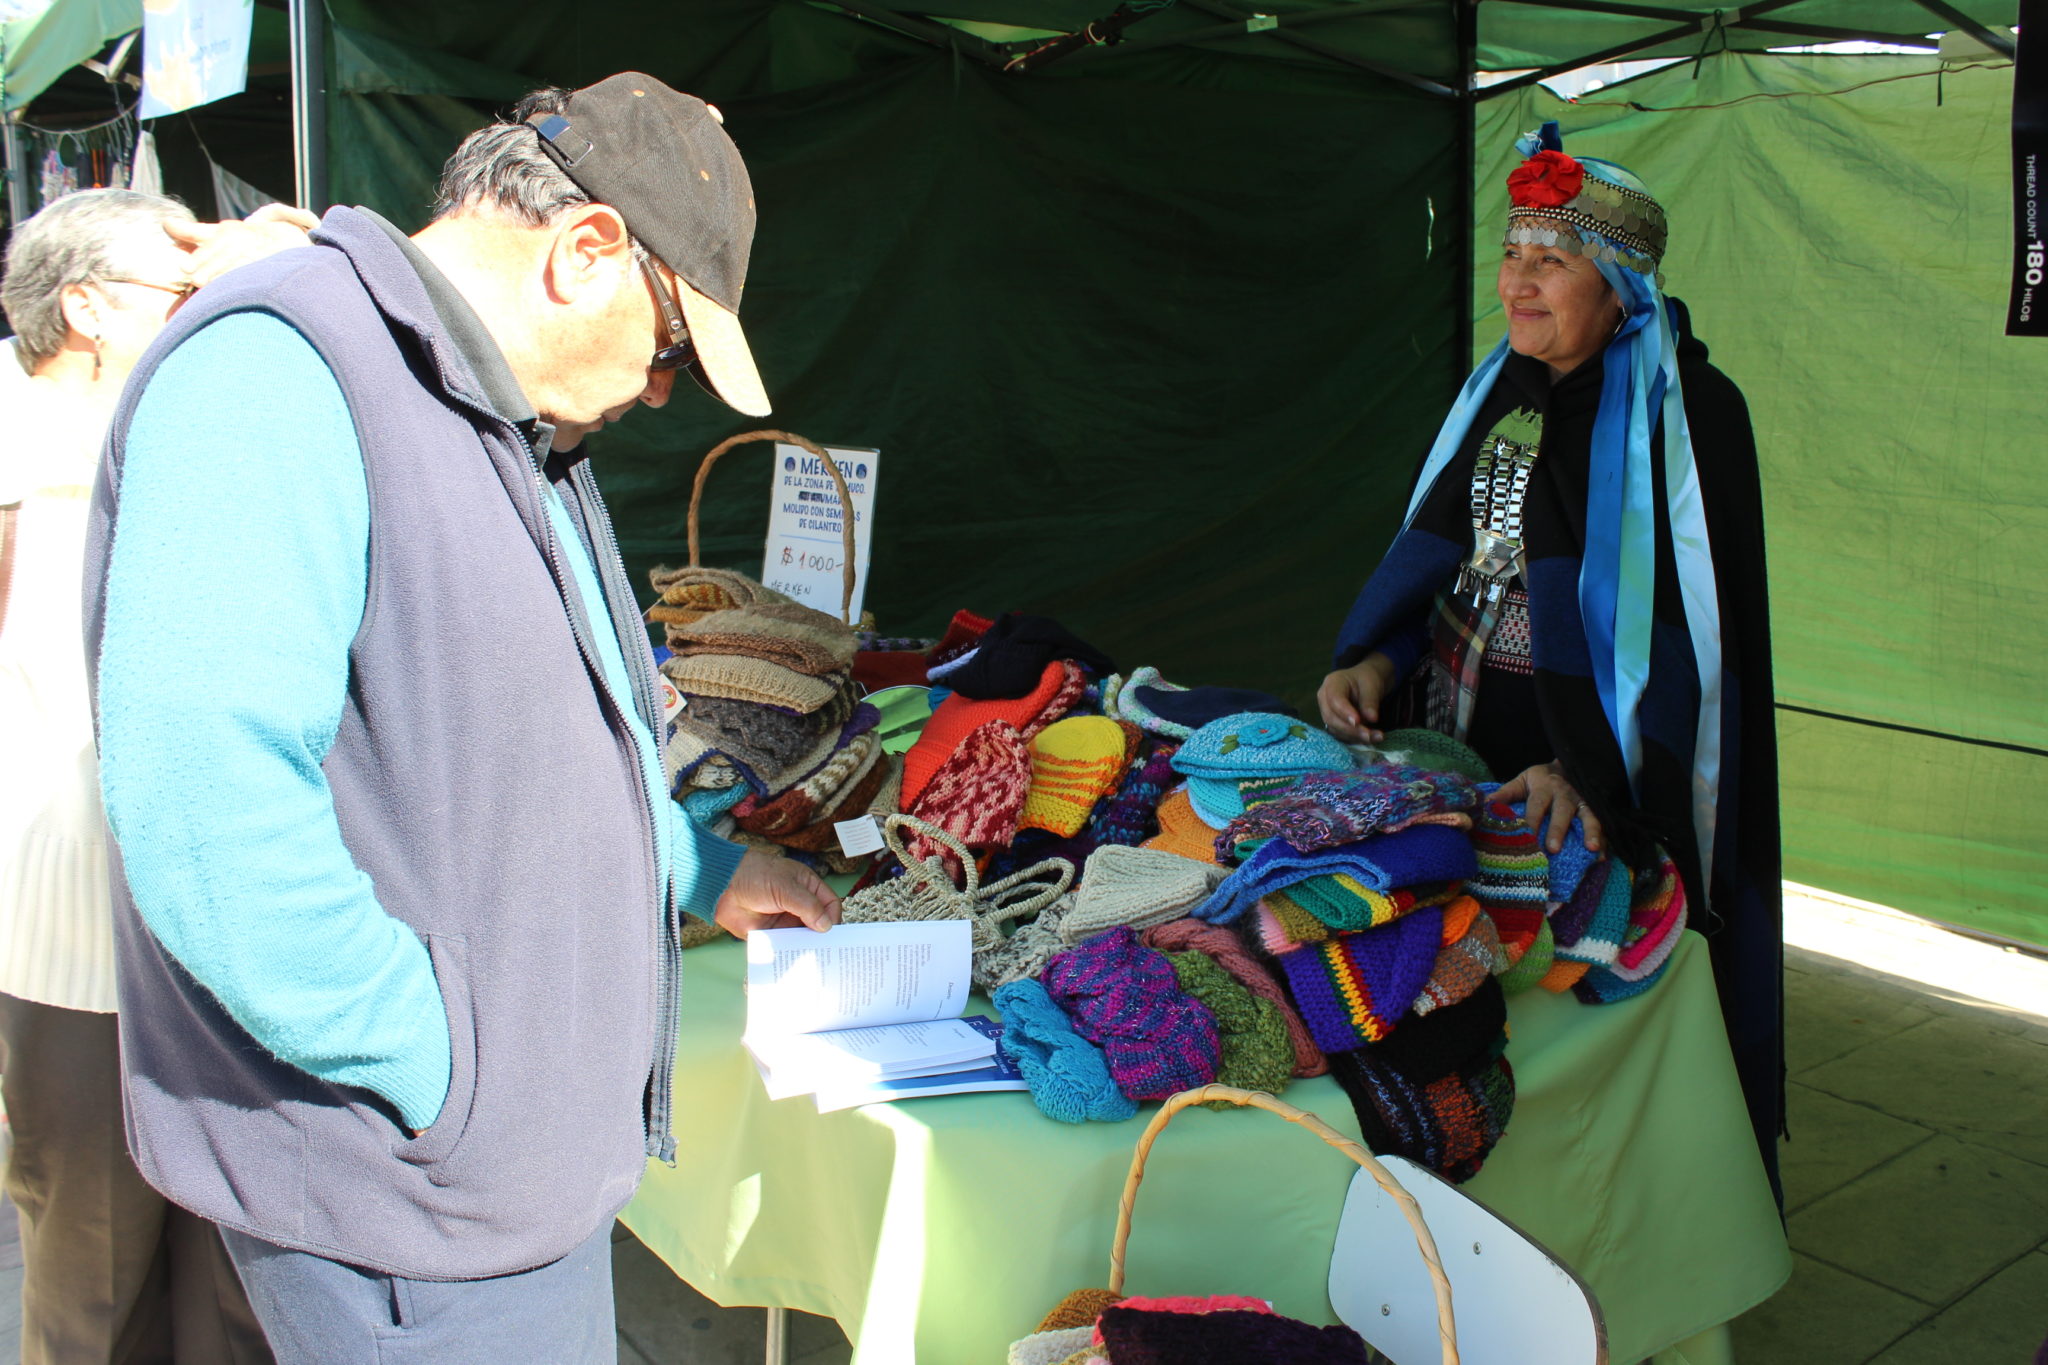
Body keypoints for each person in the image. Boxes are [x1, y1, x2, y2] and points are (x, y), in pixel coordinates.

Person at [82, 74, 839, 1363]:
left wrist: (695, 867)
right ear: (585, 249)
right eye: (668, 346)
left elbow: (529, 745)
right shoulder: (278, 370)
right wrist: (441, 1070)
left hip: (482, 1188)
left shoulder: (495, 415)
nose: (662, 391)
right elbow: (201, 795)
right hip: (405, 1209)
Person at [1318, 123, 1783, 1196]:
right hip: (1456, 726)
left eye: (1551, 259)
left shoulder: (1689, 417)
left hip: (1578, 765)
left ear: (1616, 283)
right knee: (1452, 974)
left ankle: (1588, 1220)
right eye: (1511, 252)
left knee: (1562, 1005)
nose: (1517, 284)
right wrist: (1377, 659)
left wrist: (1594, 773)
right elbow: (1441, 550)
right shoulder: (1503, 389)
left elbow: (1687, 640)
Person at [1, 187, 314, 1365]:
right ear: (82, 306)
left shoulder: (187, 423)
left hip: (208, 916)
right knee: (95, 1277)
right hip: (72, 919)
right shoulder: (24, 444)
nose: (205, 306)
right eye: (178, 287)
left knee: (227, 1273)